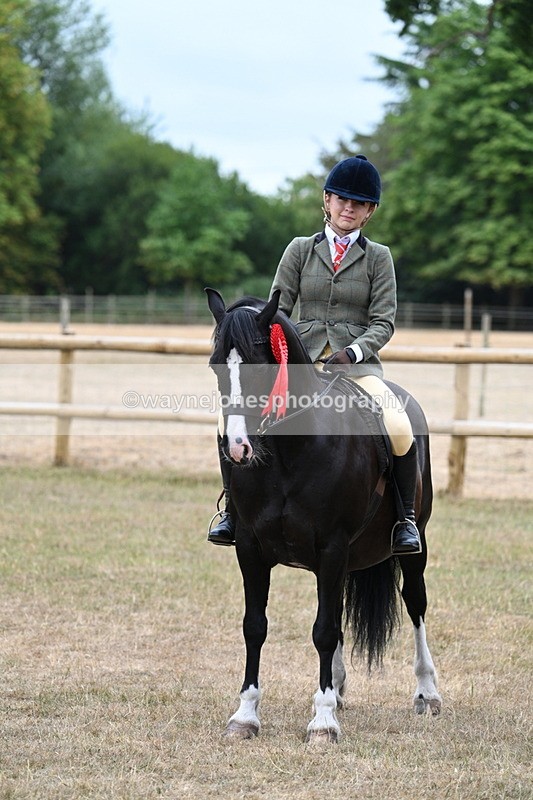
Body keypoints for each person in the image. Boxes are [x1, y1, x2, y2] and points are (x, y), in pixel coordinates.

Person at [208, 155, 421, 555]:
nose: (348, 208)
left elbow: (384, 322)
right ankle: (232, 511)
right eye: (342, 199)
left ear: (370, 211)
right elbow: (275, 310)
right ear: (327, 200)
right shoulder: (300, 250)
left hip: (357, 369)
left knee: (398, 424)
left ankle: (405, 520)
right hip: (296, 365)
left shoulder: (379, 257)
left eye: (358, 203)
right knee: (227, 419)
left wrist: (352, 352)